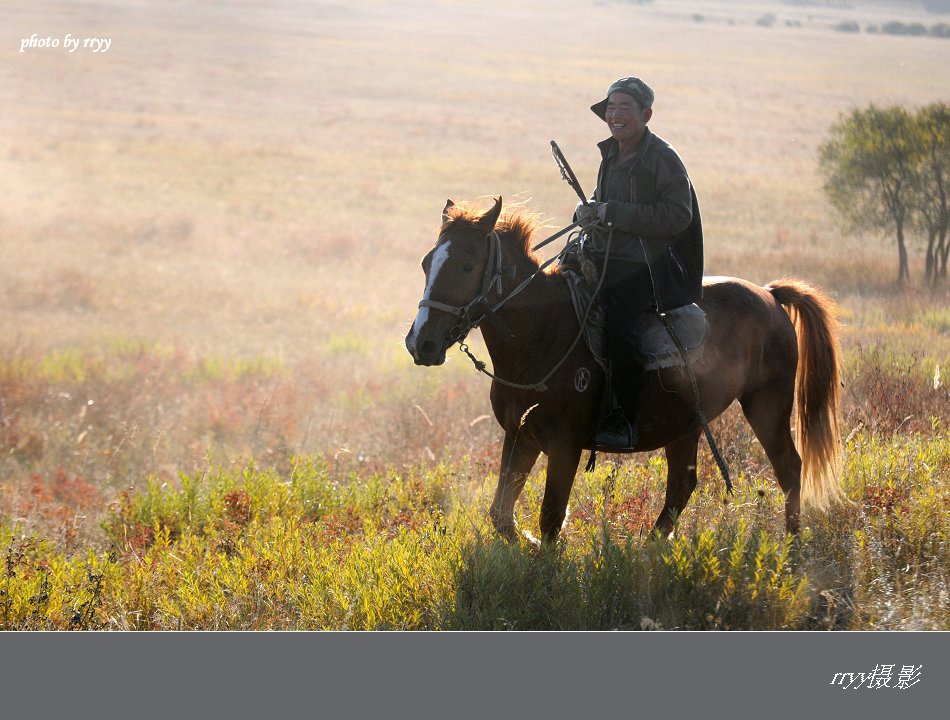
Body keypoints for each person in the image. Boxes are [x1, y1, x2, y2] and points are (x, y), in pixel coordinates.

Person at [575, 76, 704, 451]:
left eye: (624, 108)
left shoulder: (663, 158)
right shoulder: (612, 152)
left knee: (621, 330)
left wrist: (612, 213)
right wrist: (588, 212)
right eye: (610, 108)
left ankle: (624, 419)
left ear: (646, 114)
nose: (615, 115)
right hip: (605, 257)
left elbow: (677, 216)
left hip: (646, 267)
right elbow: (604, 200)